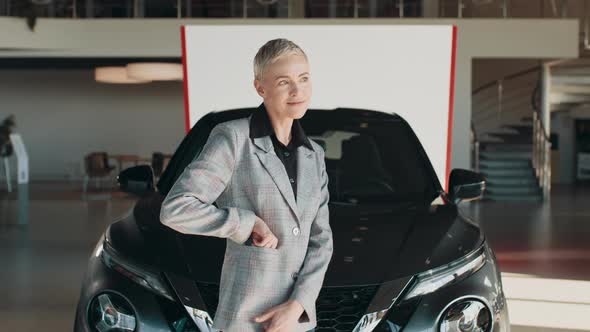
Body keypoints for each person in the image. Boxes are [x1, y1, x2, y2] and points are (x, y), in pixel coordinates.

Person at [159, 38, 334, 332]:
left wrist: (298, 305)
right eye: (283, 82)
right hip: (244, 319)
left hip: (296, 323)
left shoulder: (314, 155)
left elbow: (321, 242)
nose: (297, 90)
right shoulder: (233, 138)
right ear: (260, 88)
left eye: (303, 78)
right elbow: (176, 209)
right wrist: (245, 222)